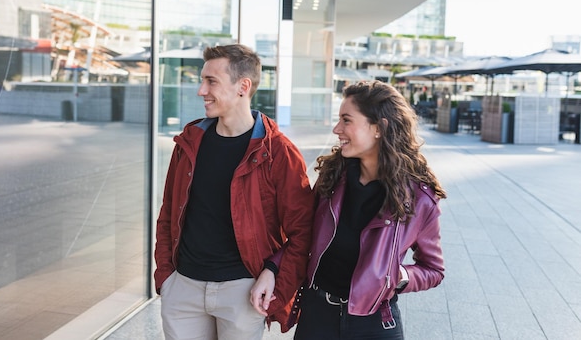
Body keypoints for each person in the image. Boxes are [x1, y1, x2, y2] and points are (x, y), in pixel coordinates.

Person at [154, 44, 315, 339]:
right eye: (202, 80)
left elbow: (303, 231)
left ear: (243, 86)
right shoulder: (190, 142)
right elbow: (168, 213)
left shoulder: (279, 153)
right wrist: (166, 276)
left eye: (211, 81)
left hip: (242, 291)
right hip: (184, 288)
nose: (201, 91)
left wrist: (274, 279)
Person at [291, 80, 446, 340]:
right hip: (317, 316)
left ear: (378, 128)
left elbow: (434, 270)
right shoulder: (331, 176)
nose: (336, 129)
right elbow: (300, 233)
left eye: (346, 120)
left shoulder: (419, 199)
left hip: (375, 323)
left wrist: (400, 275)